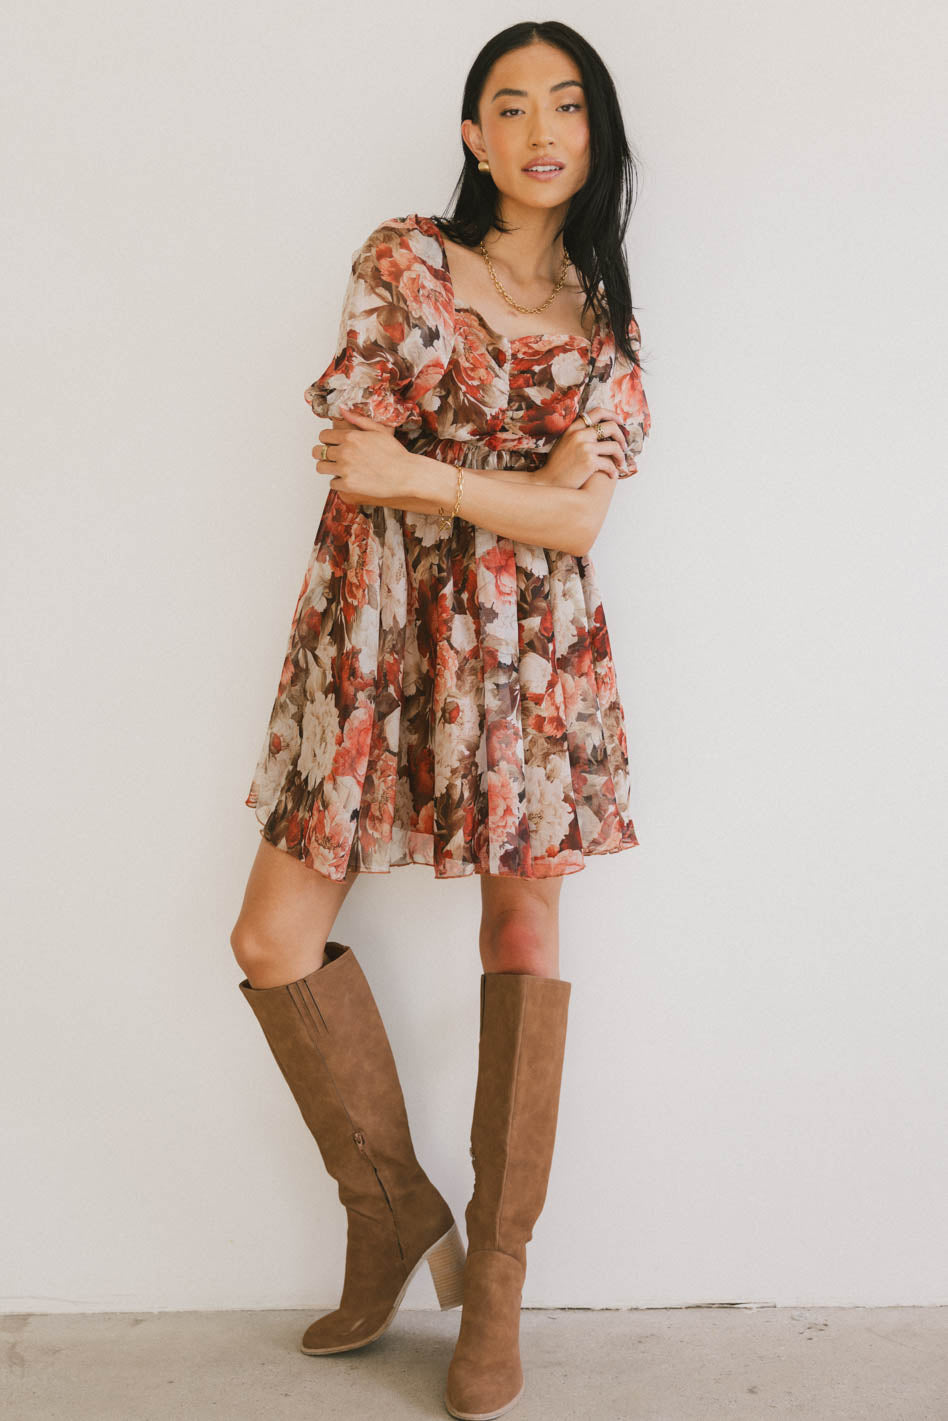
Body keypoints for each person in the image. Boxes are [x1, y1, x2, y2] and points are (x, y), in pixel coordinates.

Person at [230, 19, 651, 1421]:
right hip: (374, 634)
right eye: (509, 105)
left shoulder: (607, 321)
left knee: (521, 933)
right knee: (271, 936)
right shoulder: (405, 260)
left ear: (595, 133)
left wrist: (435, 474)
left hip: (532, 660)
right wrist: (510, 479)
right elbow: (357, 458)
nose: (540, 129)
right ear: (473, 136)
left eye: (566, 104)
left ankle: (500, 1285)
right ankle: (395, 1206)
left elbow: (580, 522)